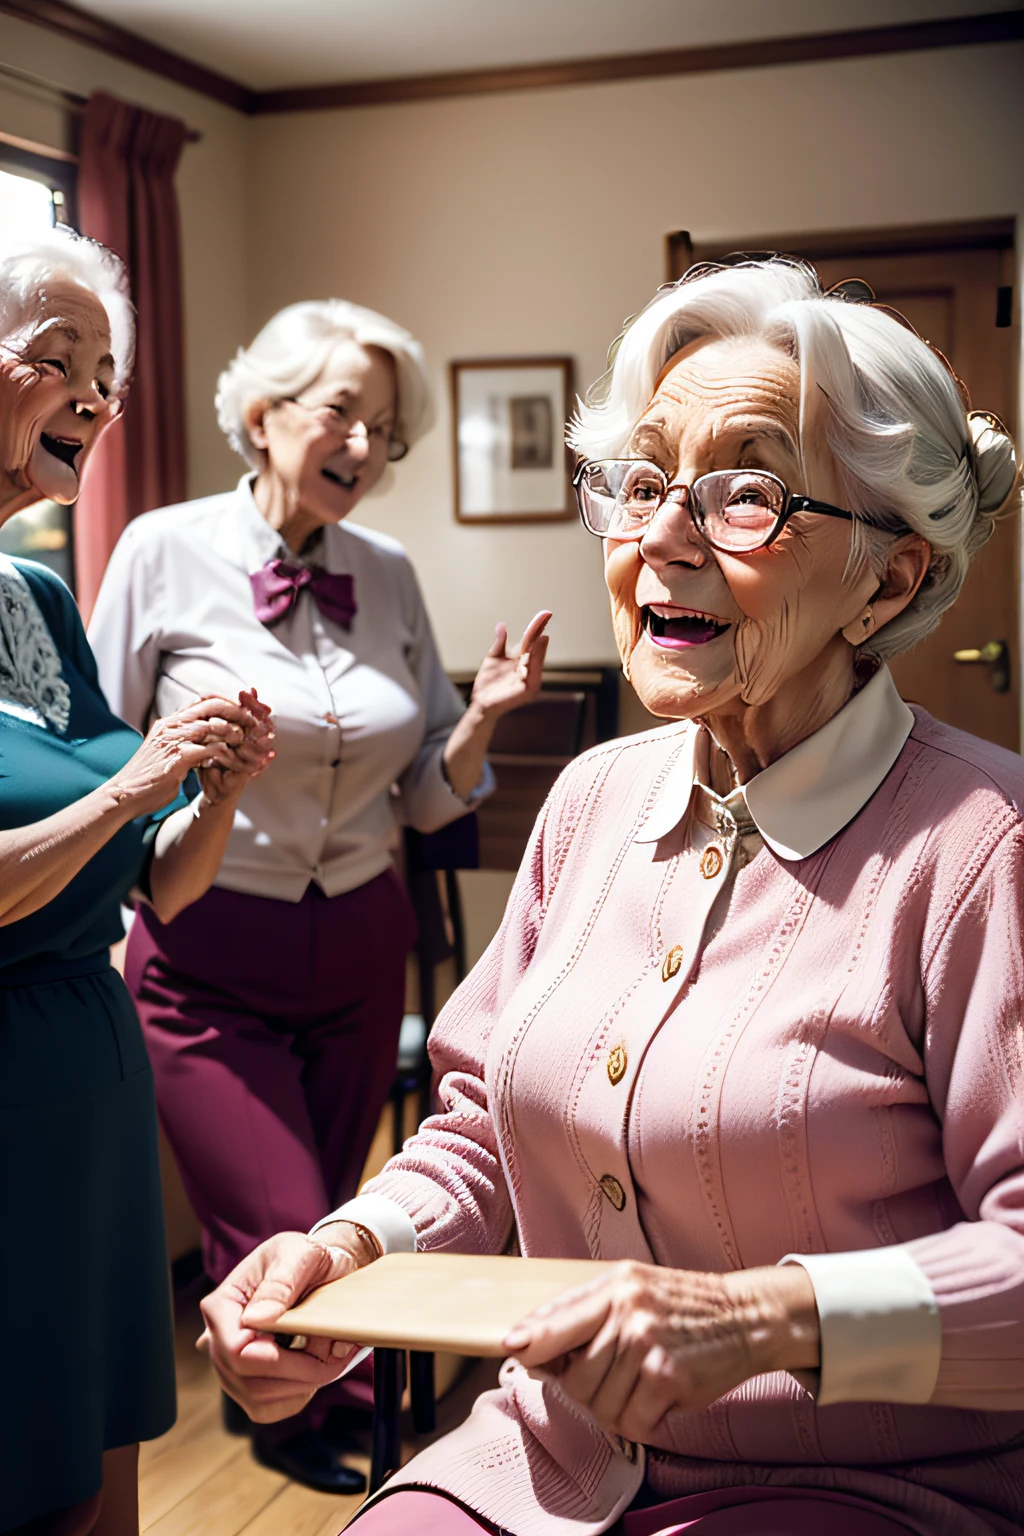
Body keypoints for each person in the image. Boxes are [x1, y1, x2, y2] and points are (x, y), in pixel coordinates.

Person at [199, 258, 1024, 1535]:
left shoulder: (983, 845)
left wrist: (762, 1318)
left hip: (872, 1489)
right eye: (641, 485)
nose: (662, 536)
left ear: (891, 580)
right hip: (541, 1461)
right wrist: (351, 1248)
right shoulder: (591, 801)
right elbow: (478, 1125)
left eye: (747, 493)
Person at [88, 299, 552, 1494]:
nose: (365, 447)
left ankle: (330, 1399)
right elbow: (98, 758)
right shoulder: (159, 548)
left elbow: (433, 796)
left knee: (345, 1198)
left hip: (360, 935)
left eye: (386, 432)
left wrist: (487, 717)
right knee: (283, 1201)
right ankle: (307, 1409)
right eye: (345, 412)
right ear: (262, 413)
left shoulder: (388, 575)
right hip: (203, 945)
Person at [0, 228, 274, 1536]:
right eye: (60, 363)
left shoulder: (40, 597)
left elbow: (157, 886)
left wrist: (209, 788)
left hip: (90, 1093)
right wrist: (129, 780)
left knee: (107, 1456)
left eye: (109, 370)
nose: (100, 399)